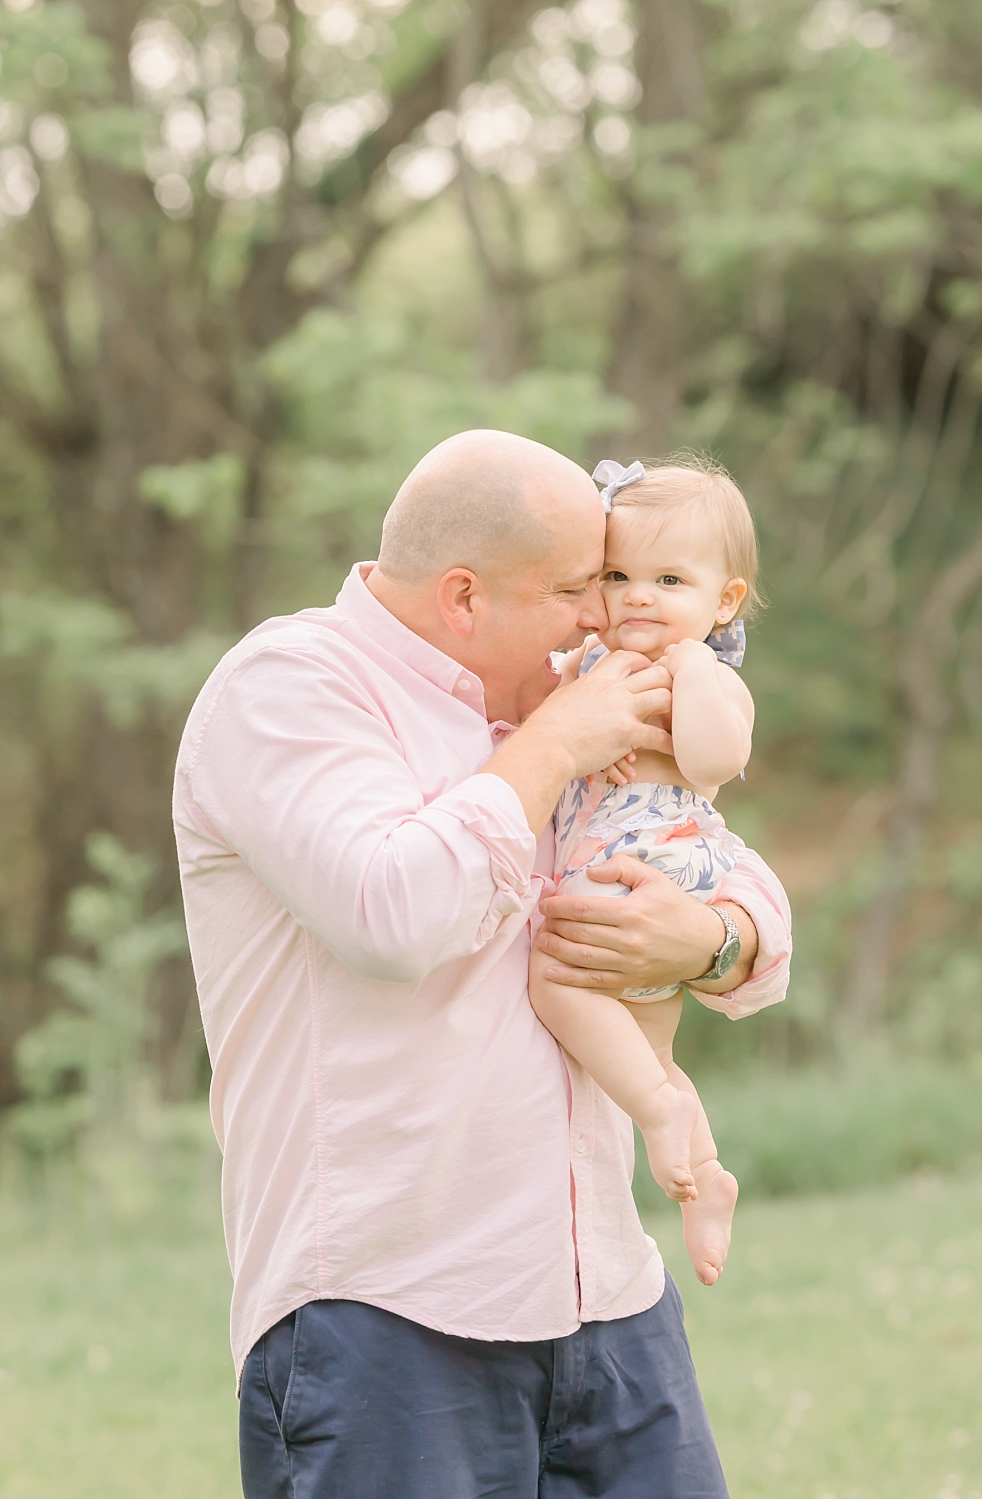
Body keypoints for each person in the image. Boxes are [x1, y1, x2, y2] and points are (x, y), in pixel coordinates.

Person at [173, 429, 792, 1498]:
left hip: (607, 1296)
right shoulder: (288, 688)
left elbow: (697, 833)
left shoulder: (553, 685)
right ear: (464, 595)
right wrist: (553, 743)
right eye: (575, 586)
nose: (601, 614)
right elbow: (391, 911)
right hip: (383, 1313)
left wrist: (718, 936)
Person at [531, 455, 761, 1289]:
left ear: (723, 601)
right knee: (649, 1045)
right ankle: (704, 1177)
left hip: (650, 864)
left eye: (670, 578)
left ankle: (658, 1114)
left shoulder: (708, 674)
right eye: (618, 574)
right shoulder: (588, 665)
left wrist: (694, 674)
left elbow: (712, 760)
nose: (638, 595)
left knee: (556, 980)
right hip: (626, 861)